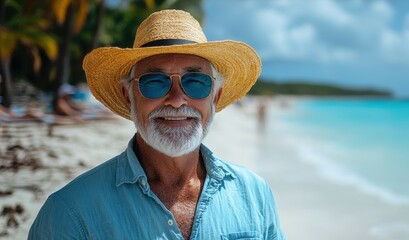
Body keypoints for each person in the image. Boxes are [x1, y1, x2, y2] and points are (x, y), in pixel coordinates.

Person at [28, 10, 284, 239]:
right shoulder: (71, 213)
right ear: (128, 95)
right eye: (154, 81)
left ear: (214, 96)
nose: (176, 100)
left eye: (195, 81)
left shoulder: (254, 194)